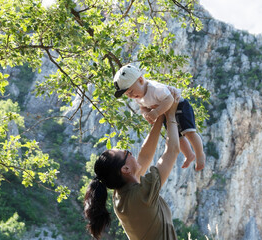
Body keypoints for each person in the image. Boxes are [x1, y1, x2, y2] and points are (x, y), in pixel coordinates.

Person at [83, 98, 180, 240]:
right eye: (126, 153)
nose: (130, 151)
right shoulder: (141, 195)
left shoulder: (121, 195)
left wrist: (160, 116)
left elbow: (145, 156)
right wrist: (171, 114)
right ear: (125, 169)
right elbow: (173, 150)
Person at [113, 64, 205, 171]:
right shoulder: (138, 97)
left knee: (189, 132)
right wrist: (146, 115)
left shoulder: (154, 88)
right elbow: (143, 107)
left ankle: (200, 155)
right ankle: (189, 154)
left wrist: (156, 112)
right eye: (127, 94)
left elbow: (170, 100)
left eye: (131, 91)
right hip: (166, 113)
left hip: (180, 106)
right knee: (177, 137)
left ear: (141, 80)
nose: (131, 96)